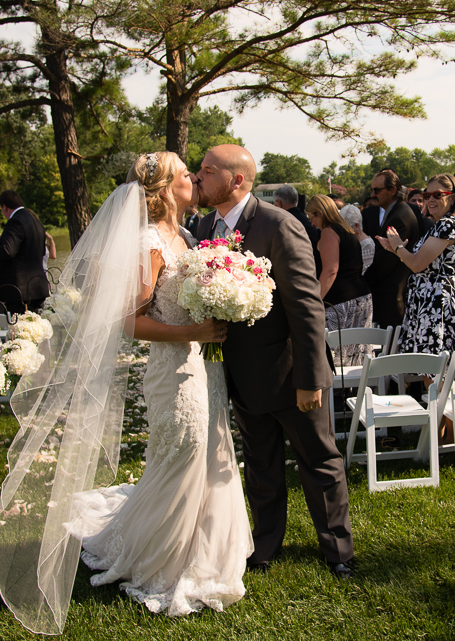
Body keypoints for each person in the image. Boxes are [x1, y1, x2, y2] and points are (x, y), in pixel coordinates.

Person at [0, 152, 251, 633]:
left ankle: (204, 548)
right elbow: (126, 320)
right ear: (167, 188)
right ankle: (160, 556)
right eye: (185, 174)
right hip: (174, 365)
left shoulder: (186, 236)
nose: (194, 177)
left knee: (207, 449)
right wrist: (193, 332)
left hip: (202, 365)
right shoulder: (150, 241)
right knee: (185, 450)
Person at [195, 144, 354, 579]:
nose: (198, 178)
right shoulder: (207, 225)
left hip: (289, 372)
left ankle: (338, 550)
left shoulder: (278, 225)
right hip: (241, 372)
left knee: (319, 463)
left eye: (208, 171)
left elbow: (306, 307)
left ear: (237, 180)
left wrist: (309, 378)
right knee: (260, 465)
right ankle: (264, 545)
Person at [378, 173, 455, 442]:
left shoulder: (448, 226)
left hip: (439, 308)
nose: (430, 200)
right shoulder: (437, 225)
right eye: (427, 195)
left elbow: (418, 264)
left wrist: (398, 249)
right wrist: (394, 249)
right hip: (426, 306)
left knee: (441, 378)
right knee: (431, 376)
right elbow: (417, 261)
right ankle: (440, 436)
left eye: (437, 195)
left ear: (452, 197)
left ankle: (451, 441)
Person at [306, 196, 372, 365]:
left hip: (342, 302)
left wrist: (316, 300)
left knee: (338, 360)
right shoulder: (346, 230)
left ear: (319, 213)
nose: (312, 223)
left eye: (312, 217)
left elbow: (330, 270)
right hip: (361, 297)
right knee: (358, 357)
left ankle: (341, 392)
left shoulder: (329, 231)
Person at [361, 169, 420, 328]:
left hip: (393, 298)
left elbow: (387, 260)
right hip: (389, 295)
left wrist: (362, 280)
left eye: (377, 190)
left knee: (392, 350)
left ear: (393, 190)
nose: (373, 194)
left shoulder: (399, 216)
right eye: (372, 190)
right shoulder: (396, 211)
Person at [0, 190, 49, 313]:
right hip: (37, 285)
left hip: (20, 290)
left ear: (4, 207)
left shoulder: (16, 221)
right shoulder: (36, 221)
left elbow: (8, 251)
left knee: (20, 327)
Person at [340, 203, 375, 274]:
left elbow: (365, 273)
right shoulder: (350, 240)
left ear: (356, 226)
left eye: (346, 228)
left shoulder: (367, 244)